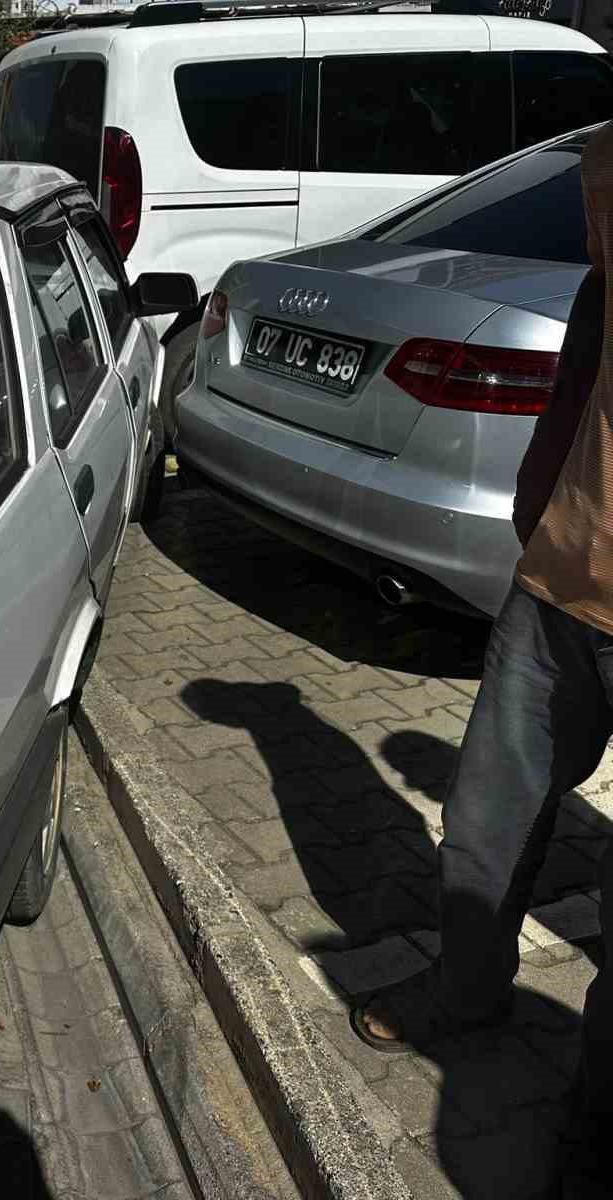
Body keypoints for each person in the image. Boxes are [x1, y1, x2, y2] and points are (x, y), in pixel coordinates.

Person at [351, 125, 613, 1064]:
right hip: (561, 584)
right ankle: (467, 987)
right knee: (487, 814)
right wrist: (543, 503)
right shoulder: (604, 166)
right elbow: (591, 331)